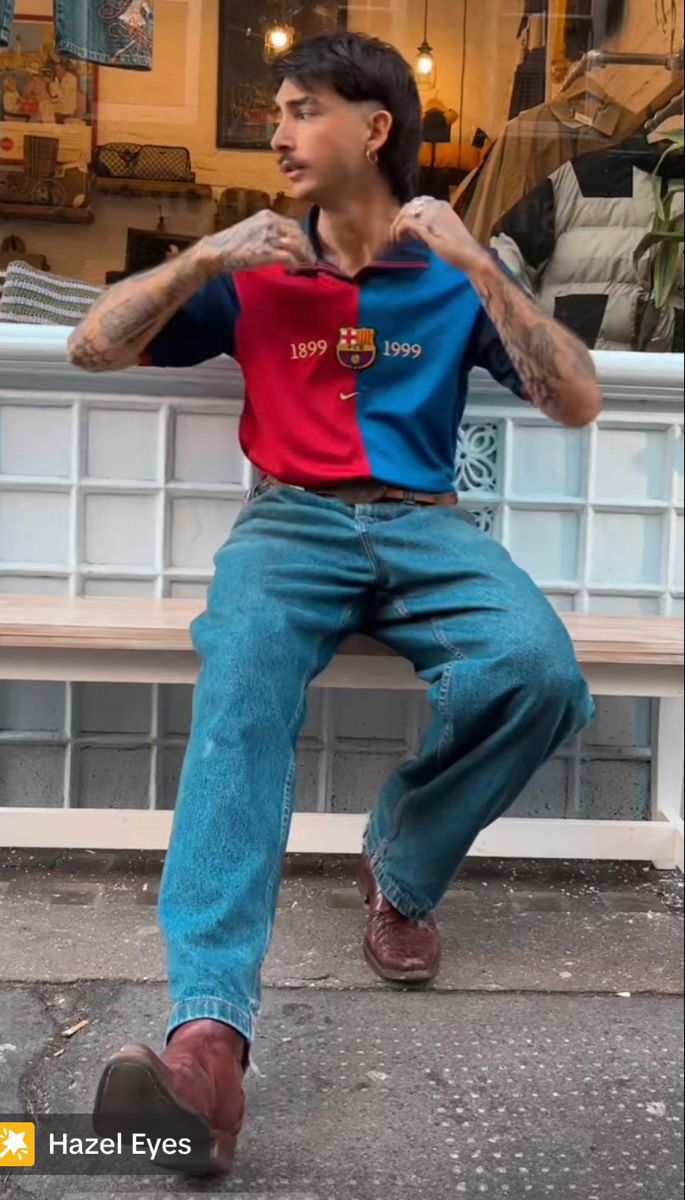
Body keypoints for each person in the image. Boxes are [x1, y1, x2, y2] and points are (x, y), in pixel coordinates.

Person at [68, 31, 601, 1178]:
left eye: (301, 109)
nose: (276, 133)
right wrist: (203, 256)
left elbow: (578, 400)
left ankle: (399, 869)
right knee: (242, 688)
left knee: (541, 673)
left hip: (421, 522)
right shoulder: (254, 263)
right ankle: (206, 1044)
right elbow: (91, 346)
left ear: (374, 129)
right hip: (291, 523)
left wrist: (482, 267)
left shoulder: (449, 273)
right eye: (277, 111)